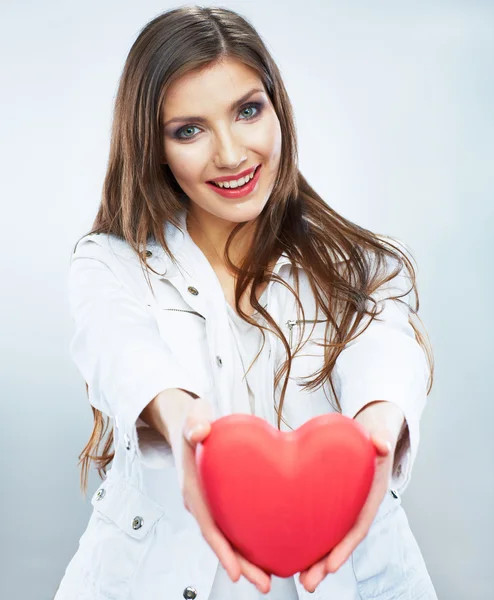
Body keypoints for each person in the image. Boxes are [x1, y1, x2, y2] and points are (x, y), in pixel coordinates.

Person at [54, 5, 438, 600]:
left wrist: (377, 433)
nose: (231, 155)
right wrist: (185, 431)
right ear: (152, 146)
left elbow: (387, 351)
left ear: (277, 109)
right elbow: (121, 353)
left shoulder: (361, 263)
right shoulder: (109, 265)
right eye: (189, 130)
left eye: (248, 111)